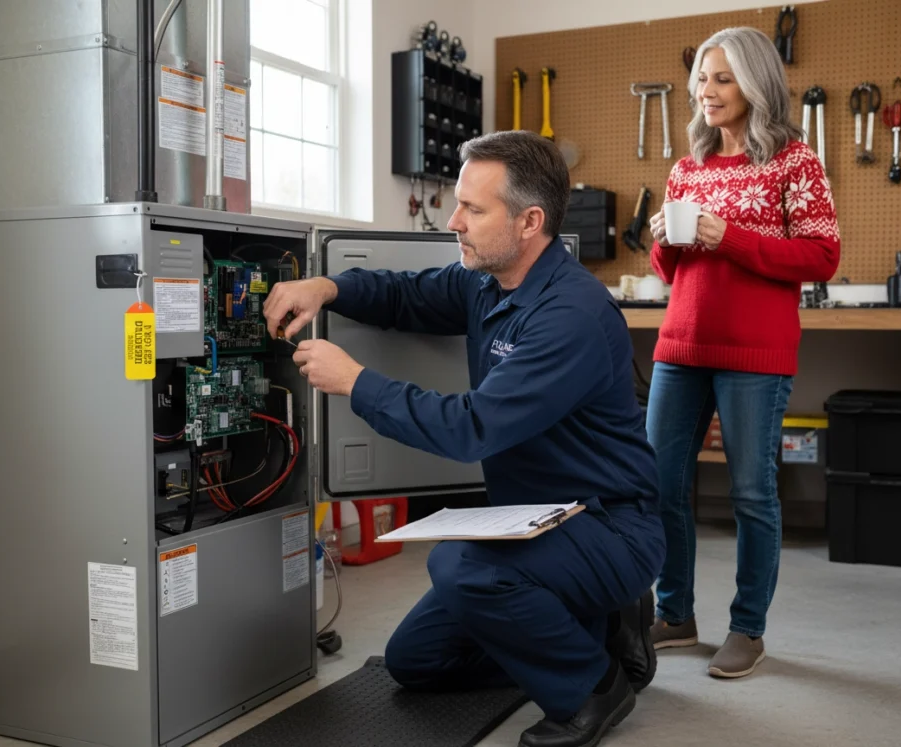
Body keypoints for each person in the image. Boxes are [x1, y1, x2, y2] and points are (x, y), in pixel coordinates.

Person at [264, 130, 666, 747]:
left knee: (461, 564)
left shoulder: (571, 316)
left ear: (530, 222)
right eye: (458, 204)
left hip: (606, 526)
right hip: (532, 523)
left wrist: (356, 382)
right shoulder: (487, 282)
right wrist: (328, 287)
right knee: (416, 662)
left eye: (473, 210)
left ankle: (593, 685)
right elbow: (404, 295)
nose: (454, 221)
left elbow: (473, 427)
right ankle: (595, 625)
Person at [645, 27, 840, 678]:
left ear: (756, 83)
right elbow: (672, 271)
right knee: (659, 481)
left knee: (753, 493)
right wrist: (665, 238)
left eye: (722, 78)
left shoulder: (793, 161)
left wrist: (728, 235)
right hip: (681, 342)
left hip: (755, 350)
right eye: (702, 78)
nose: (707, 91)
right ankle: (674, 612)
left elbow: (821, 255)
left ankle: (748, 628)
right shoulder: (687, 167)